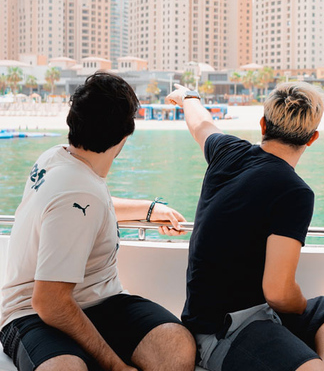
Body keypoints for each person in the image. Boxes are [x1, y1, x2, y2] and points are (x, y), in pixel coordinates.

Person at [0, 72, 195, 371]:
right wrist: (117, 366)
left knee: (174, 344)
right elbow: (49, 302)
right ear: (125, 134)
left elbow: (85, 208)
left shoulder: (58, 158)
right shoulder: (80, 191)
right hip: (31, 312)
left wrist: (148, 209)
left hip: (102, 301)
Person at [168, 82, 324, 371]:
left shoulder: (227, 150)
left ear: (263, 123)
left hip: (253, 314)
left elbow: (202, 124)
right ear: (312, 138)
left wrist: (188, 97)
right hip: (226, 331)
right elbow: (278, 292)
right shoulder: (294, 191)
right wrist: (299, 309)